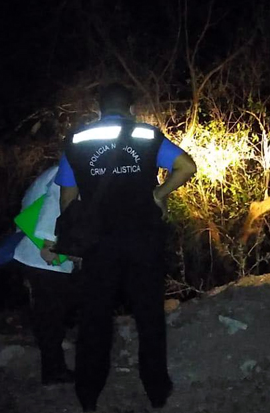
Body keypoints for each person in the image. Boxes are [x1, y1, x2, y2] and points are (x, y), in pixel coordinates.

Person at [52, 83, 197, 411]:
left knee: (94, 319)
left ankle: (88, 393)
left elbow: (67, 199)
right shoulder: (147, 136)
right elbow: (187, 167)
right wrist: (159, 195)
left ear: (98, 108)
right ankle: (156, 390)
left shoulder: (77, 141)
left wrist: (79, 232)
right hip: (143, 240)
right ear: (131, 107)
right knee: (149, 316)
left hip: (99, 245)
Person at [12, 165, 81, 385]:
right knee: (51, 314)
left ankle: (55, 364)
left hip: (40, 254)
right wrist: (50, 243)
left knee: (53, 311)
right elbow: (55, 204)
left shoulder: (61, 168)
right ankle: (53, 370)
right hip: (43, 256)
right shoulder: (73, 170)